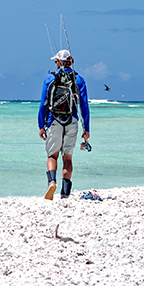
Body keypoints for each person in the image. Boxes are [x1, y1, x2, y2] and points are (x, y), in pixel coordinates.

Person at [38, 49, 90, 200]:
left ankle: (51, 182)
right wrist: (86, 128)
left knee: (52, 156)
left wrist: (41, 125)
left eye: (56, 61)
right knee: (67, 158)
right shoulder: (78, 80)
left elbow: (43, 104)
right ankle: (65, 194)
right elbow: (84, 106)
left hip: (54, 121)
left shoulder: (49, 78)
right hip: (72, 121)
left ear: (58, 62)